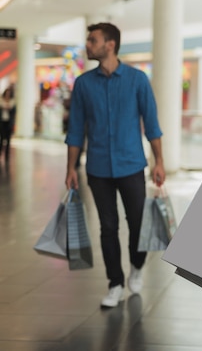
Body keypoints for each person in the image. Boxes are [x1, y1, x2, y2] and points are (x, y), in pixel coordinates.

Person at [64, 22, 165, 309]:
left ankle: (136, 265)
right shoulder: (83, 84)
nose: (88, 44)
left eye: (92, 40)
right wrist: (71, 167)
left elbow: (152, 125)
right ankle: (115, 283)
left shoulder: (137, 80)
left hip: (132, 165)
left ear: (110, 44)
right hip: (97, 168)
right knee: (108, 226)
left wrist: (160, 162)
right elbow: (75, 131)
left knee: (137, 224)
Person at [0, 87, 16, 164]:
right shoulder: (1, 102)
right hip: (2, 122)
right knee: (2, 139)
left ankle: (7, 156)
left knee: (8, 140)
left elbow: (14, 114)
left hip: (8, 123)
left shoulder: (12, 103)